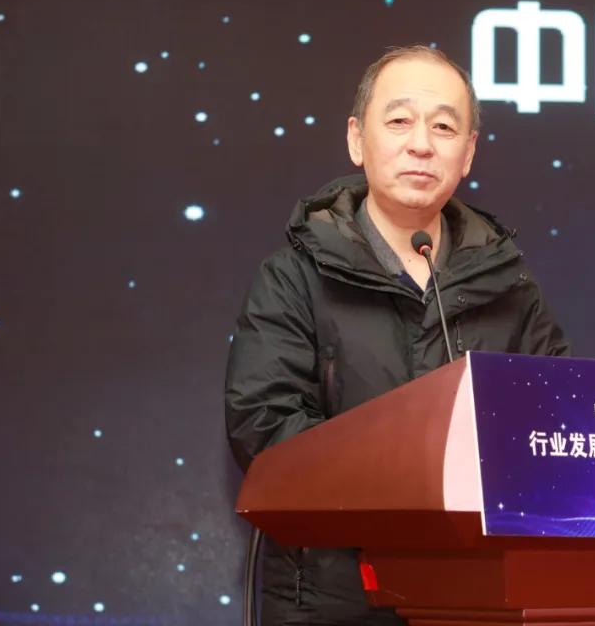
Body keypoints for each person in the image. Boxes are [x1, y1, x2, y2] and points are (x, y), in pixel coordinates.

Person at [224, 45, 571, 626]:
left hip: (474, 596)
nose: (421, 144)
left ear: (468, 154)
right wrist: (412, 479)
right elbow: (264, 426)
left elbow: (555, 428)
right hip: (330, 599)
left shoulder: (510, 286)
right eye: (400, 120)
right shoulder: (293, 277)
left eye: (444, 127)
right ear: (357, 139)